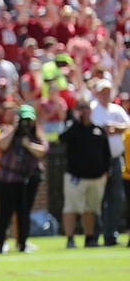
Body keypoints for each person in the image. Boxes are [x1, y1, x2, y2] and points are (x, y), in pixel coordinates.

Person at [0, 105, 49, 254]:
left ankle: (22, 243)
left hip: (27, 180)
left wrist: (27, 144)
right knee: (5, 212)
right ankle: (0, 243)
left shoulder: (35, 134)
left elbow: (43, 151)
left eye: (29, 120)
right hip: (8, 179)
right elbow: (1, 144)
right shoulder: (8, 130)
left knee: (24, 212)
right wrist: (14, 128)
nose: (26, 123)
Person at [59, 100, 111, 248]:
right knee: (71, 207)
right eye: (81, 108)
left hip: (96, 177)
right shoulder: (73, 127)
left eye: (86, 108)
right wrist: (76, 122)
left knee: (90, 208)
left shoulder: (98, 129)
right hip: (75, 176)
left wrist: (107, 170)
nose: (85, 111)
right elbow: (62, 138)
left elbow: (106, 152)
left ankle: (90, 238)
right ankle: (70, 238)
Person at [89, 79, 129, 246]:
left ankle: (110, 235)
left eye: (108, 91)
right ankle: (95, 235)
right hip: (98, 160)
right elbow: (90, 130)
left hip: (116, 159)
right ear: (97, 93)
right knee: (97, 199)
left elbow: (127, 126)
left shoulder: (117, 109)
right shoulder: (92, 109)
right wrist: (104, 130)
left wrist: (116, 128)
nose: (105, 94)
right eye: (102, 91)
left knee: (116, 198)